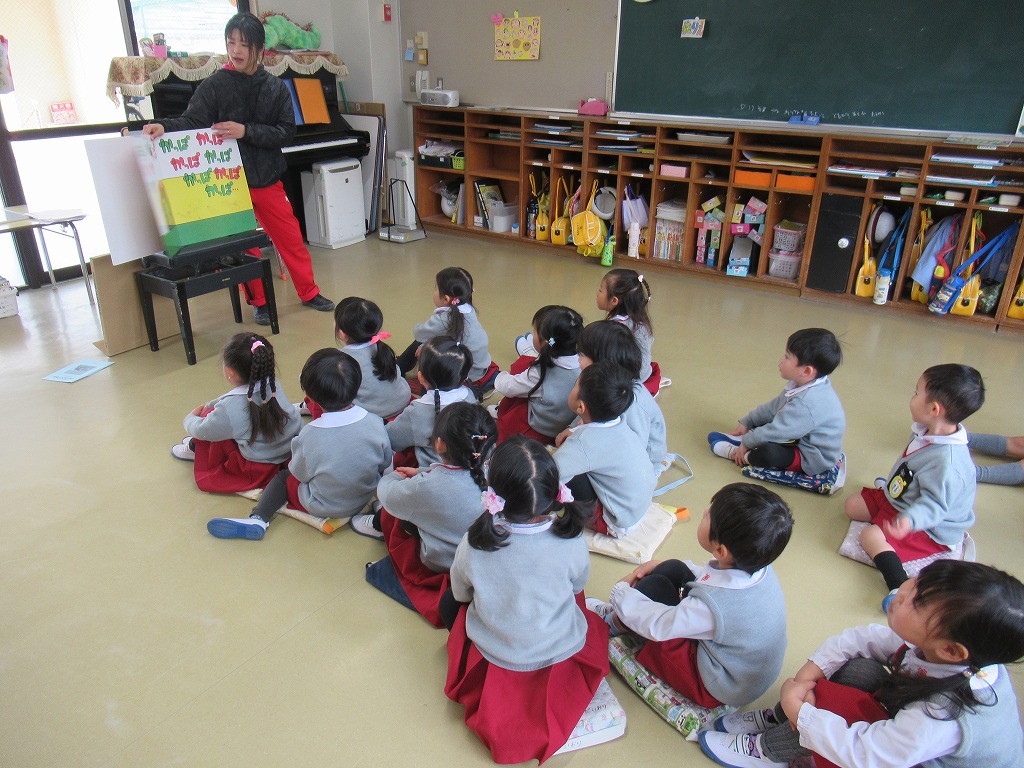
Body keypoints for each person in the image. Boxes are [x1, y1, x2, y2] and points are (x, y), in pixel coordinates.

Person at [699, 560, 1024, 768]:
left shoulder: (944, 716)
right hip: (905, 739)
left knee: (835, 709)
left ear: (951, 650)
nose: (902, 590)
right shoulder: (954, 650)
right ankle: (783, 720)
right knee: (858, 670)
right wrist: (805, 679)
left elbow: (868, 753)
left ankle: (769, 751)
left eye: (917, 602)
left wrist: (802, 713)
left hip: (897, 756)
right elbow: (860, 639)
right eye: (916, 580)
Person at [142, 12, 334, 326]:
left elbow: (286, 133)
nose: (236, 50)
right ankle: (259, 302)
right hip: (229, 183)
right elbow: (192, 120)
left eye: (244, 44)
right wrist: (164, 126)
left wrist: (245, 131)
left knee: (290, 238)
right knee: (247, 249)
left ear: (260, 49)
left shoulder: (275, 88)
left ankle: (309, 292)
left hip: (267, 177)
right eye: (231, 42)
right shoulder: (215, 84)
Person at [442, 436, 609, 765]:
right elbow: (578, 585)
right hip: (558, 645)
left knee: (449, 603)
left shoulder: (474, 542)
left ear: (494, 493)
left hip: (498, 649)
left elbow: (461, 593)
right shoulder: (571, 539)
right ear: (553, 493)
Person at [588, 482, 793, 711]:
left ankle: (611, 624)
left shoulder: (713, 608)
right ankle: (624, 615)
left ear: (720, 551)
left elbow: (659, 625)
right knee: (673, 568)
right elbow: (710, 578)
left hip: (721, 684)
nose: (705, 511)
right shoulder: (756, 565)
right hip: (746, 668)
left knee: (654, 592)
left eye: (708, 516)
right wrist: (663, 565)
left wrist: (621, 592)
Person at [207, 348, 392, 540]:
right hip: (364, 494)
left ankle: (259, 518)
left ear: (310, 398)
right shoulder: (375, 421)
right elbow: (385, 460)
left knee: (282, 478)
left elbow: (298, 473)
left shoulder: (310, 435)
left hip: (324, 505)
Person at [844, 363, 984, 609]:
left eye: (916, 392)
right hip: (905, 500)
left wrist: (910, 521)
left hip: (930, 526)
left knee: (870, 535)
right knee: (852, 506)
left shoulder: (947, 464)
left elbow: (934, 506)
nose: (912, 396)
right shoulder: (928, 430)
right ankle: (892, 501)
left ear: (933, 409)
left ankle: (898, 584)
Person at [358, 402, 496, 626]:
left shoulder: (426, 487)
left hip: (443, 562)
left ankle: (380, 536)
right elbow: (453, 480)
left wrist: (394, 477)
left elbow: (386, 493)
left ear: (439, 444)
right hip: (483, 557)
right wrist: (421, 472)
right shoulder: (494, 471)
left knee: (392, 515)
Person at [707, 327, 846, 488]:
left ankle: (741, 455)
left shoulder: (806, 403)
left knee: (769, 453)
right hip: (799, 436)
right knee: (767, 425)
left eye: (787, 357)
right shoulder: (802, 384)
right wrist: (748, 421)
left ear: (806, 371)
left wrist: (746, 443)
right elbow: (774, 407)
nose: (781, 360)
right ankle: (746, 442)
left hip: (812, 457)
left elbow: (777, 431)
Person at [171, 332, 300, 493]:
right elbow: (233, 399)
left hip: (260, 465)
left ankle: (195, 448)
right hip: (290, 450)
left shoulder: (231, 408)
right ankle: (195, 444)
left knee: (209, 421)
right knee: (218, 416)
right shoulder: (272, 383)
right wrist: (212, 405)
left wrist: (189, 419)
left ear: (230, 372)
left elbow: (202, 430)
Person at [554, 362, 655, 538]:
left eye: (575, 384)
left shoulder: (582, 443)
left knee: (555, 475)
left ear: (580, 407)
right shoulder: (620, 423)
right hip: (636, 508)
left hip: (614, 521)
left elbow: (550, 474)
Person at [557, 319, 667, 477]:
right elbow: (592, 411)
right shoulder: (604, 386)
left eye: (582, 355)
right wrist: (573, 429)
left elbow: (634, 449)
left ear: (601, 363)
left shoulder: (631, 402)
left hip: (640, 466)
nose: (578, 360)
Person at [396, 267, 497, 397]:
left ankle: (399, 370)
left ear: (445, 299)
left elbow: (419, 333)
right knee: (426, 344)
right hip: (479, 367)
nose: (434, 292)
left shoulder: (445, 318)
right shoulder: (468, 310)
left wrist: (424, 344)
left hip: (464, 373)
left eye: (435, 289)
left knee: (419, 344)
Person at [492, 304, 582, 444]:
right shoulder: (584, 363)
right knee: (526, 367)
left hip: (539, 427)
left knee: (521, 368)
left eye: (534, 331)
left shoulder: (542, 372)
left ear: (546, 343)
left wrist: (498, 378)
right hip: (564, 422)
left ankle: (501, 412)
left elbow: (510, 387)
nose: (533, 334)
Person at [386, 336, 476, 468]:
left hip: (429, 470)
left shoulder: (417, 411)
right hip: (468, 466)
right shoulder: (469, 395)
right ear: (464, 376)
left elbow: (392, 439)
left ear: (420, 377)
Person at [330, 296, 411, 420]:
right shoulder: (382, 348)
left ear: (342, 334)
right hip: (402, 400)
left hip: (372, 413)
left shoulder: (340, 360)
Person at [597, 268, 661, 395]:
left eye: (600, 290)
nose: (597, 293)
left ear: (614, 301)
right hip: (645, 374)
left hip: (628, 381)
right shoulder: (640, 319)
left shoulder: (614, 329)